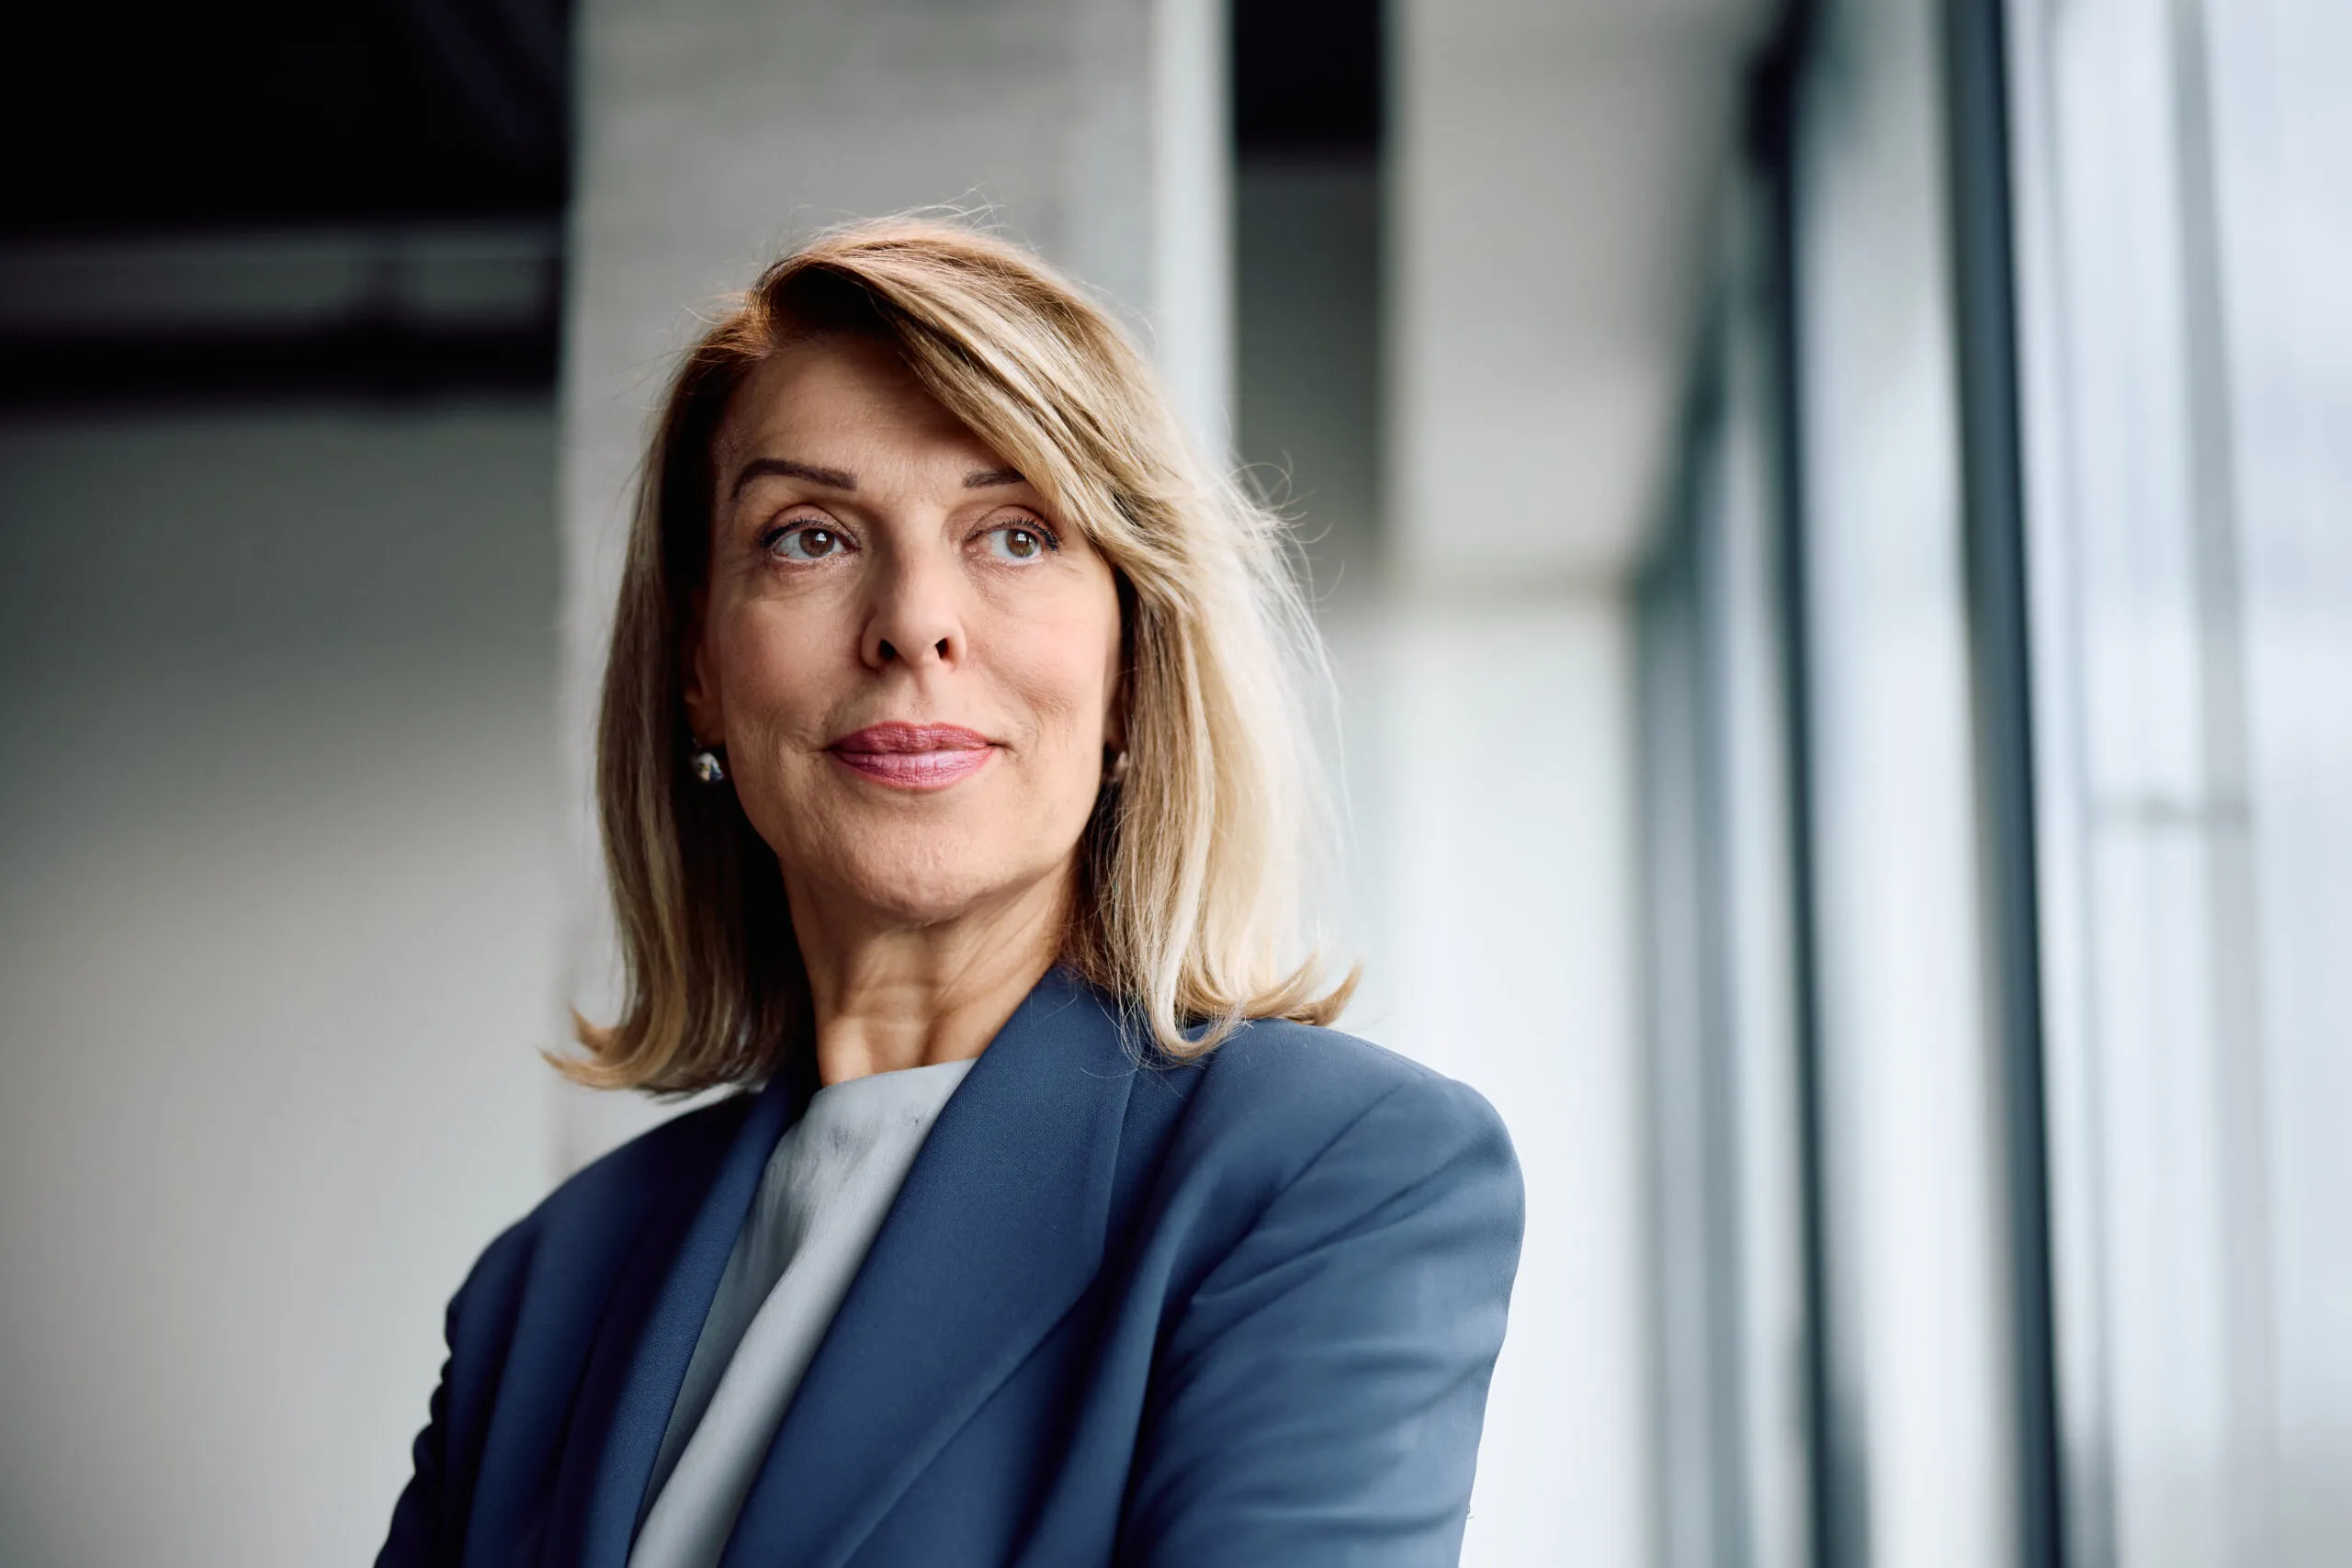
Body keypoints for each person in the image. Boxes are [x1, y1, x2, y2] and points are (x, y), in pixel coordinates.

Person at [376, 218, 1523, 1568]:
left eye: (1018, 533)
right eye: (808, 535)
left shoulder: (1330, 1175)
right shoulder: (540, 1292)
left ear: (1131, 662)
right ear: (698, 663)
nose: (915, 618)